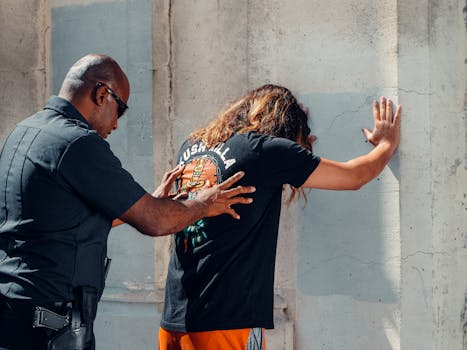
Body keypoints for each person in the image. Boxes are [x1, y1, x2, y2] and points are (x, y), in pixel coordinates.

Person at [0, 54, 255, 350]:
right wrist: (203, 203)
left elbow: (62, 220)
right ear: (101, 94)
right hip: (49, 329)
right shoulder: (77, 143)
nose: (117, 125)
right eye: (119, 110)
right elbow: (156, 221)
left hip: (15, 316)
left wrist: (148, 202)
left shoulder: (24, 132)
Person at [158, 84, 401, 349]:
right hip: (227, 322)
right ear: (286, 126)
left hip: (174, 321)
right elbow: (355, 176)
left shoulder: (192, 145)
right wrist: (386, 145)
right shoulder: (267, 151)